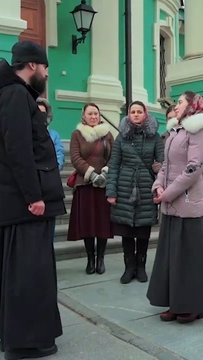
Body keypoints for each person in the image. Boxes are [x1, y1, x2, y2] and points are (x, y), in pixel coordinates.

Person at [0, 40, 65, 359]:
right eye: (45, 67)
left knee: (20, 271)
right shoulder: (15, 95)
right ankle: (25, 342)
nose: (46, 74)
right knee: (29, 273)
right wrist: (34, 196)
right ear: (32, 65)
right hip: (24, 206)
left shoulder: (13, 94)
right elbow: (19, 151)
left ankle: (16, 336)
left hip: (17, 205)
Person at [147, 91, 203, 324]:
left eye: (179, 102)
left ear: (192, 105)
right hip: (170, 204)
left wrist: (167, 193)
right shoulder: (176, 131)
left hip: (188, 204)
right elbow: (167, 165)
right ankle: (176, 303)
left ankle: (194, 305)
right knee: (173, 257)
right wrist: (158, 185)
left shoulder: (199, 131)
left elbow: (193, 168)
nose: (175, 106)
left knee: (190, 258)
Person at [106, 101, 164, 284]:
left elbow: (162, 164)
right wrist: (111, 191)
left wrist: (159, 182)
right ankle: (129, 267)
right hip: (125, 186)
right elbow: (113, 165)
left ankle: (141, 267)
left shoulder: (154, 137)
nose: (136, 114)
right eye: (133, 112)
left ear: (145, 114)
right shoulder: (121, 137)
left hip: (146, 187)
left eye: (139, 111)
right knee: (127, 231)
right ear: (128, 115)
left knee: (143, 230)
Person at [67, 103, 114, 275]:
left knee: (102, 223)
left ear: (99, 115)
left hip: (103, 185)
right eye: (90, 114)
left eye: (96, 113)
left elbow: (113, 156)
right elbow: (75, 157)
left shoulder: (107, 134)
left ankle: (101, 258)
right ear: (84, 116)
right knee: (87, 223)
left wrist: (105, 173)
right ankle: (90, 259)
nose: (93, 116)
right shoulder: (77, 134)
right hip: (85, 184)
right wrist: (91, 174)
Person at [36, 97, 64, 170]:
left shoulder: (54, 135)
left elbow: (59, 154)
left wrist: (54, 171)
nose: (40, 116)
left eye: (43, 113)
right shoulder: (26, 134)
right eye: (37, 112)